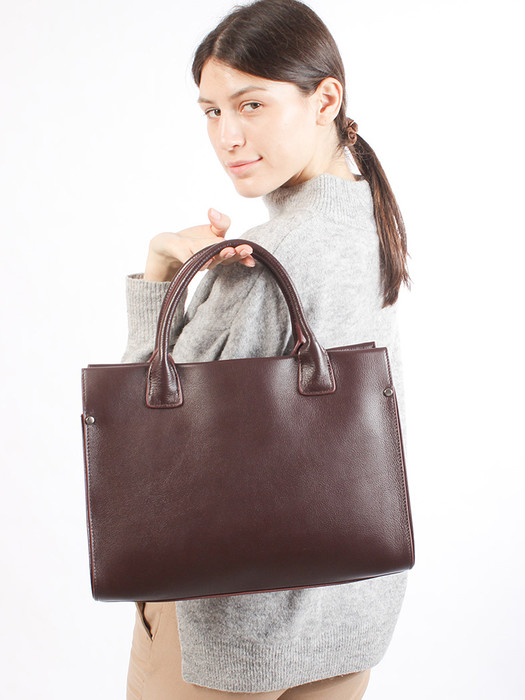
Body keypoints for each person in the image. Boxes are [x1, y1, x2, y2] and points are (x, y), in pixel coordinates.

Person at [122, 0, 412, 697]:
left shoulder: (266, 259)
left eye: (251, 104)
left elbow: (146, 428)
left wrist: (159, 277)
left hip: (231, 620)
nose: (227, 135)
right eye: (211, 111)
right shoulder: (372, 223)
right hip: (351, 603)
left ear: (325, 100)